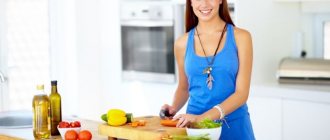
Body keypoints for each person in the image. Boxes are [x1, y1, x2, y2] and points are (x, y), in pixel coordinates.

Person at [160, 0, 255, 139]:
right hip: (196, 130)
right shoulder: (182, 43)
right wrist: (173, 108)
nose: (204, 4)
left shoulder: (241, 37)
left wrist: (202, 118)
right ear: (190, 2)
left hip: (234, 128)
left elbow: (241, 93)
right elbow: (184, 87)